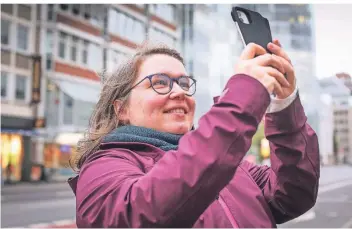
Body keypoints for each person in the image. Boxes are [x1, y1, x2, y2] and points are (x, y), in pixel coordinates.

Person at [68, 40, 320, 228]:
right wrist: (244, 92)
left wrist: (284, 106)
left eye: (184, 83)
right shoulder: (103, 168)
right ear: (121, 108)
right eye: (160, 82)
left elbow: (294, 195)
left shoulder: (232, 166)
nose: (178, 92)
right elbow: (140, 215)